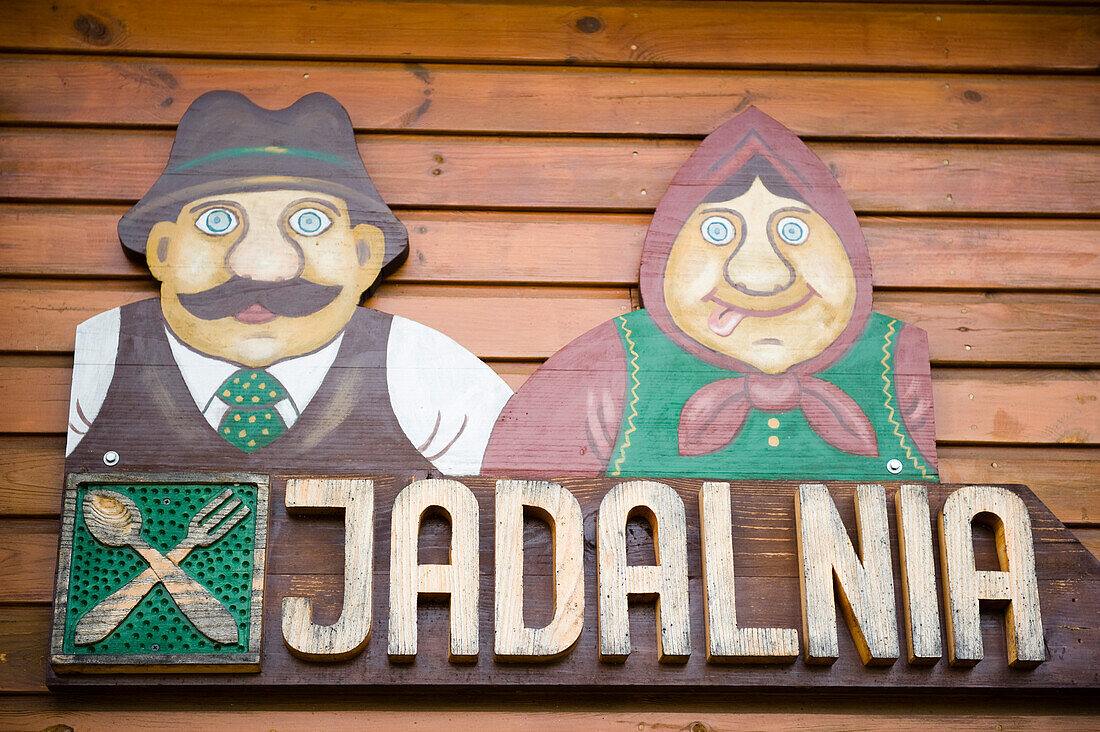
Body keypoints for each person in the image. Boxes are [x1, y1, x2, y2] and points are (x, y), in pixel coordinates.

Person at [66, 91, 511, 476]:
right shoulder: (106, 353)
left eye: (310, 221)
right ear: (162, 250)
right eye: (216, 221)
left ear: (364, 255)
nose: (262, 267)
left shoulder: (426, 368)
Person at [483, 108, 937, 481]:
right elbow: (511, 521)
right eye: (718, 231)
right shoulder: (612, 359)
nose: (759, 274)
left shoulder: (894, 358)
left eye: (793, 230)